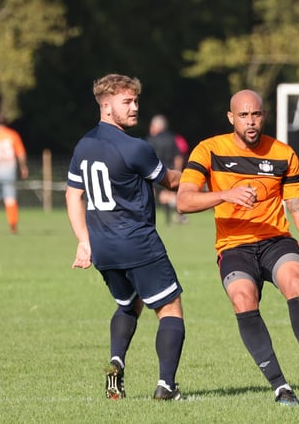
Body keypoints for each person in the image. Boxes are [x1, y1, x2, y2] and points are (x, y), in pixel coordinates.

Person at [177, 89, 299, 406]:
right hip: (233, 244)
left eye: (256, 115)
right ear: (231, 118)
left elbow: (298, 208)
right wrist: (224, 195)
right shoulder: (209, 150)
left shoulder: (283, 154)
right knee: (242, 297)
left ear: (263, 115)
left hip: (275, 239)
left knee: (294, 280)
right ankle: (281, 387)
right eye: (244, 115)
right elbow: (183, 200)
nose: (251, 122)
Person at [65, 74, 185, 401]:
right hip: (138, 243)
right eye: (126, 102)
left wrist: (84, 240)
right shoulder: (135, 148)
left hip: (103, 248)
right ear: (106, 105)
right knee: (170, 308)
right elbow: (171, 182)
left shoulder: (84, 144)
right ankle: (166, 386)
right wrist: (201, 173)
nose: (135, 108)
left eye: (136, 101)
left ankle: (116, 362)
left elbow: (73, 194)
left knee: (128, 305)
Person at [0, 113, 29, 234]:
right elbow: (21, 153)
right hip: (9, 171)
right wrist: (23, 167)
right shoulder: (12, 135)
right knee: (10, 198)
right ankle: (13, 226)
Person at [147, 114, 186, 225]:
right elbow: (178, 157)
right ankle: (178, 214)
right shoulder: (172, 139)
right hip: (170, 171)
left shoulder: (151, 140)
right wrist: (178, 171)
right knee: (168, 196)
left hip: (155, 171)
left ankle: (168, 217)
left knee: (160, 196)